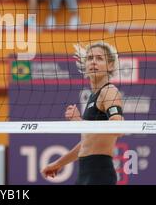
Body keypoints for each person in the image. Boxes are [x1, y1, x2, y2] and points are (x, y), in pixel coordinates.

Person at [41, 41, 124, 185]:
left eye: (99, 58)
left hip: (100, 172)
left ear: (110, 65)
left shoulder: (109, 91)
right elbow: (87, 142)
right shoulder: (94, 96)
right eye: (90, 58)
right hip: (85, 172)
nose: (93, 62)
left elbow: (118, 128)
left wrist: (79, 121)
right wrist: (59, 164)